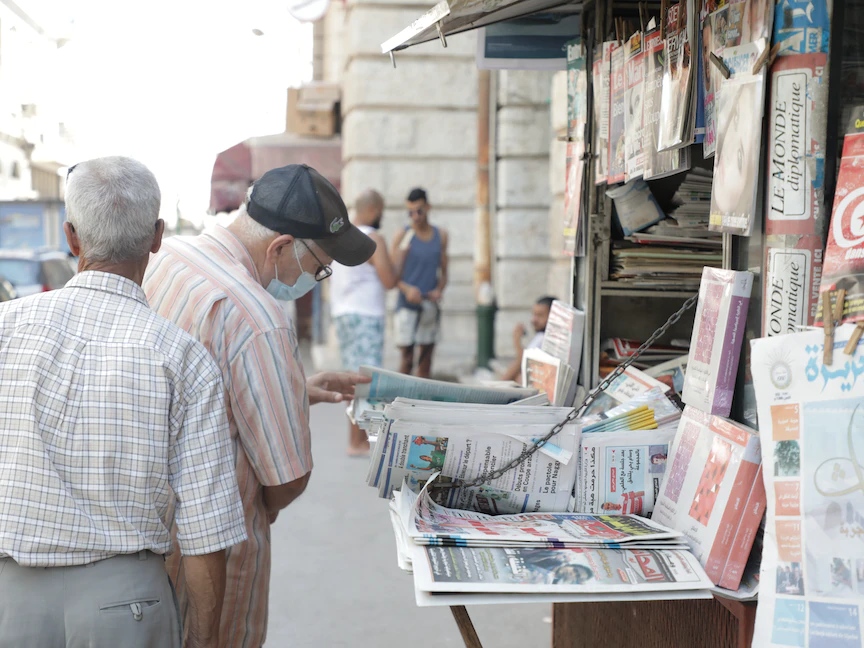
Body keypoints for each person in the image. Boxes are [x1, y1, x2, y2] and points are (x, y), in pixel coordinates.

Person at [0, 156, 247, 648]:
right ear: (157, 237)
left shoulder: (5, 330)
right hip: (126, 609)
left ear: (72, 238)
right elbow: (205, 536)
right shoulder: (182, 358)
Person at [143, 164, 376, 648]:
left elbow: (200, 388)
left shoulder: (171, 257)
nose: (318, 278)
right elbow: (286, 478)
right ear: (281, 247)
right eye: (320, 267)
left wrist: (289, 389)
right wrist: (260, 510)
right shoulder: (257, 316)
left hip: (145, 534)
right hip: (215, 547)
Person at [329, 189, 397, 456]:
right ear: (373, 210)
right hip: (366, 315)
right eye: (381, 211)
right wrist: (399, 249)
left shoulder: (341, 238)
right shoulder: (372, 238)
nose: (382, 216)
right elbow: (390, 280)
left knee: (353, 378)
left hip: (344, 314)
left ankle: (356, 439)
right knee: (366, 380)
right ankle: (357, 442)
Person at [391, 187, 449, 378]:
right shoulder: (403, 235)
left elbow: (444, 272)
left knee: (425, 359)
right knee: (406, 360)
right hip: (407, 304)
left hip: (429, 304)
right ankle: (401, 400)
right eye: (410, 212)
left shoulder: (440, 235)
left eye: (419, 211)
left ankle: (422, 402)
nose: (415, 216)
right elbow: (392, 275)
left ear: (428, 208)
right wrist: (407, 289)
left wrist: (438, 290)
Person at [500, 296, 556, 382]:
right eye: (534, 314)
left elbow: (523, 361)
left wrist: (517, 341)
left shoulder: (548, 339)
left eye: (540, 315)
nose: (534, 320)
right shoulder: (540, 335)